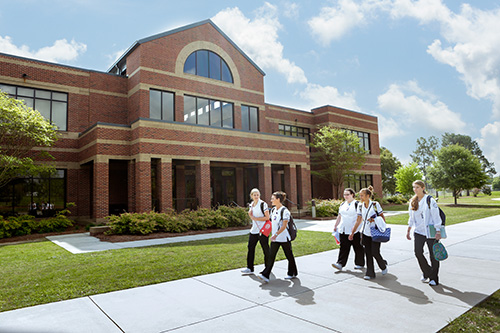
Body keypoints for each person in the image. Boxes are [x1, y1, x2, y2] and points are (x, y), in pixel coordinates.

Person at [406, 180, 443, 286]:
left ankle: (434, 278)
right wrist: (408, 230)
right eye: (414, 187)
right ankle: (427, 272)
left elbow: (436, 216)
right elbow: (411, 217)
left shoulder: (429, 200)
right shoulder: (413, 201)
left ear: (423, 188)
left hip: (430, 232)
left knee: (433, 255)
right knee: (418, 253)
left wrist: (438, 230)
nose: (415, 189)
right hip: (418, 232)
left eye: (417, 187)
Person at [258, 191, 298, 283]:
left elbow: (284, 227)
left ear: (278, 199)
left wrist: (275, 235)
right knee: (271, 257)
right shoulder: (273, 210)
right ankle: (265, 275)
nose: (271, 200)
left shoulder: (285, 211)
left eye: (273, 198)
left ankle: (292, 273)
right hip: (275, 239)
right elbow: (272, 223)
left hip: (284, 238)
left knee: (289, 256)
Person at [349, 186, 388, 280]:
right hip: (366, 233)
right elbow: (358, 220)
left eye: (362, 195)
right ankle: (370, 273)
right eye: (360, 195)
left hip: (375, 232)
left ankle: (383, 265)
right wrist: (352, 232)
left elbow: (382, 218)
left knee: (375, 252)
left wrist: (374, 220)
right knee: (368, 253)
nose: (360, 197)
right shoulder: (360, 206)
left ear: (368, 195)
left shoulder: (375, 204)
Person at [332, 188, 364, 271]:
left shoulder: (357, 204)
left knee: (357, 247)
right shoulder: (343, 204)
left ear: (352, 194)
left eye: (347, 194)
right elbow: (339, 216)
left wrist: (354, 230)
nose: (345, 196)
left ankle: (359, 263)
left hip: (355, 230)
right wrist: (336, 225)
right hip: (343, 229)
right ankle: (340, 263)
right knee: (343, 247)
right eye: (344, 194)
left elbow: (360, 218)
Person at [241, 188, 270, 275]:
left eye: (257, 195)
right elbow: (252, 217)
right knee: (250, 248)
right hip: (254, 230)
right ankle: (250, 268)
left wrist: (255, 218)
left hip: (263, 230)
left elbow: (267, 217)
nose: (256, 196)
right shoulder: (252, 205)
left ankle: (268, 268)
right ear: (251, 196)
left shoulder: (263, 204)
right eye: (254, 195)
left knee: (265, 249)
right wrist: (250, 216)